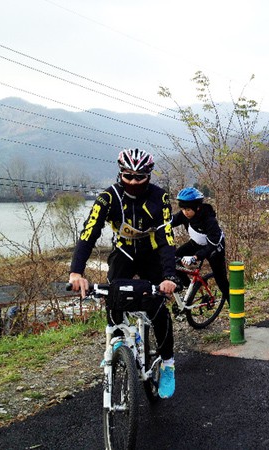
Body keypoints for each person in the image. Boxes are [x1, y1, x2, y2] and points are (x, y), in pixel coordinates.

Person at [69, 148, 178, 398]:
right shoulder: (108, 198)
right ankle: (116, 341)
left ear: (148, 176)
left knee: (158, 306)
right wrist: (76, 272)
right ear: (120, 173)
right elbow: (89, 234)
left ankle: (168, 364)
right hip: (124, 254)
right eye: (128, 176)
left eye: (140, 177)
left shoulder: (159, 197)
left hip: (151, 255)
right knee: (113, 294)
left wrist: (169, 276)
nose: (134, 182)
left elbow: (166, 239)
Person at [171, 187, 230, 302]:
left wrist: (195, 257)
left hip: (214, 249)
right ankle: (189, 289)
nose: (185, 212)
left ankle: (234, 306)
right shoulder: (184, 214)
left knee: (221, 280)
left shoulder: (209, 220)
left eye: (188, 209)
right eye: (183, 209)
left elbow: (212, 244)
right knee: (173, 260)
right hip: (196, 243)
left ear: (197, 207)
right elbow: (169, 222)